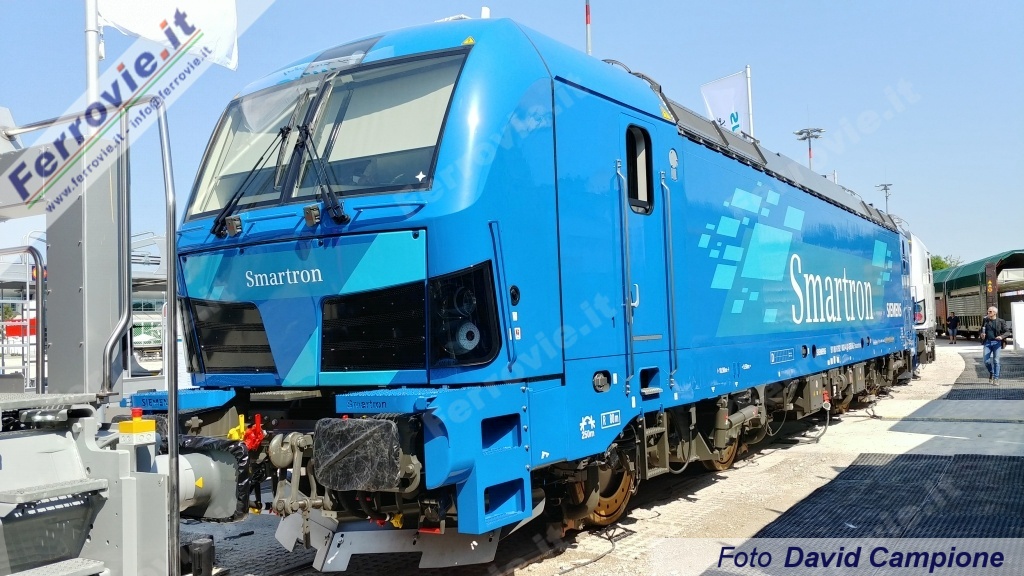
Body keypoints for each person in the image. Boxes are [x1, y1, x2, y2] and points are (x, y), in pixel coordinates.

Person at [980, 306, 1009, 384]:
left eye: (990, 311)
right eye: (988, 311)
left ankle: (996, 378)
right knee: (986, 361)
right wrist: (982, 334)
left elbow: (1007, 332)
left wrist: (1001, 337)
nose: (988, 313)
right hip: (987, 342)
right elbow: (981, 330)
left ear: (995, 313)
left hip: (997, 343)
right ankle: (991, 372)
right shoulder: (985, 320)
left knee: (996, 360)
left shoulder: (1001, 321)